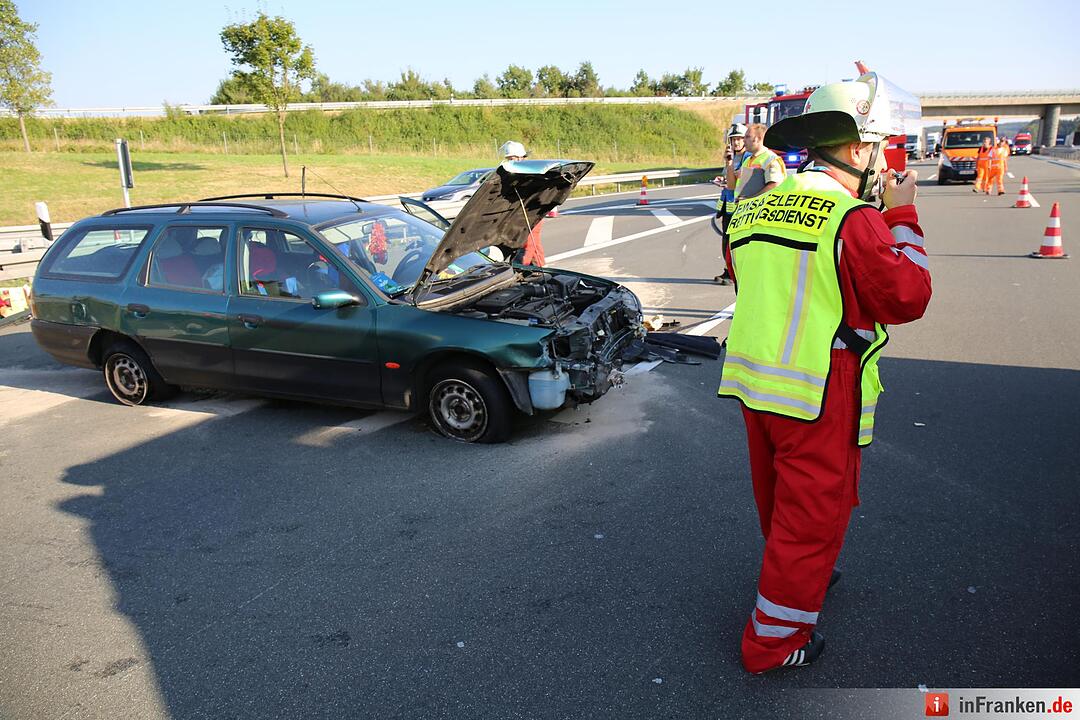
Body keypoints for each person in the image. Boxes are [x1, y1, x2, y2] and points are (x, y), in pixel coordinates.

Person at [716, 73, 932, 674]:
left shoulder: (754, 209)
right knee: (813, 515)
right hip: (819, 385)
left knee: (781, 501)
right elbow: (908, 296)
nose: (885, 162)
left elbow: (743, 275)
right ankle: (774, 642)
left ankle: (800, 575)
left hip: (757, 383)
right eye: (881, 149)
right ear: (860, 149)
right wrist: (905, 214)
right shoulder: (854, 217)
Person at [494, 140, 545, 266]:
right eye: (509, 158)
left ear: (520, 157)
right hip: (519, 212)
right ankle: (540, 268)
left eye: (512, 158)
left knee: (528, 242)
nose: (510, 161)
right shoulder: (511, 173)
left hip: (531, 212)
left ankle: (521, 268)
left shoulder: (530, 172)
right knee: (534, 244)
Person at [714, 123, 748, 285]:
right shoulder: (730, 157)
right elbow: (727, 177)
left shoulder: (748, 158)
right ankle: (728, 270)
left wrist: (730, 176)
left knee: (735, 242)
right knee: (726, 240)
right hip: (727, 206)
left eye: (740, 139)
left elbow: (742, 178)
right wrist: (722, 178)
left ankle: (735, 272)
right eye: (733, 139)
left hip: (739, 206)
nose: (736, 143)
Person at [736, 123, 787, 200]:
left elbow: (774, 185)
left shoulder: (771, 159)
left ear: (759, 138)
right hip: (746, 208)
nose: (744, 140)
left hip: (763, 209)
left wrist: (750, 199)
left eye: (747, 137)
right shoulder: (748, 160)